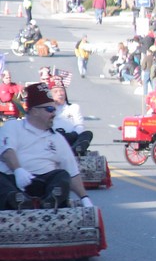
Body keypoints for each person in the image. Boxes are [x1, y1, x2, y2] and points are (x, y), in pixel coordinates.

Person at [0, 82, 94, 210]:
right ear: (34, 111)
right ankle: (16, 200)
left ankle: (50, 202)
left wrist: (85, 198)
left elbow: (72, 172)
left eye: (54, 109)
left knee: (62, 175)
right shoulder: (12, 127)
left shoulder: (57, 139)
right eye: (49, 109)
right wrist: (18, 170)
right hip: (14, 179)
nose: (54, 113)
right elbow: (7, 151)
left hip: (43, 182)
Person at [48, 77, 93, 156]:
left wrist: (74, 134)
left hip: (72, 139)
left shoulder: (74, 107)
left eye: (62, 91)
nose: (60, 94)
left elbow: (80, 125)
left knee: (88, 134)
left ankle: (74, 151)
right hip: (53, 139)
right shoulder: (46, 109)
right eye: (56, 91)